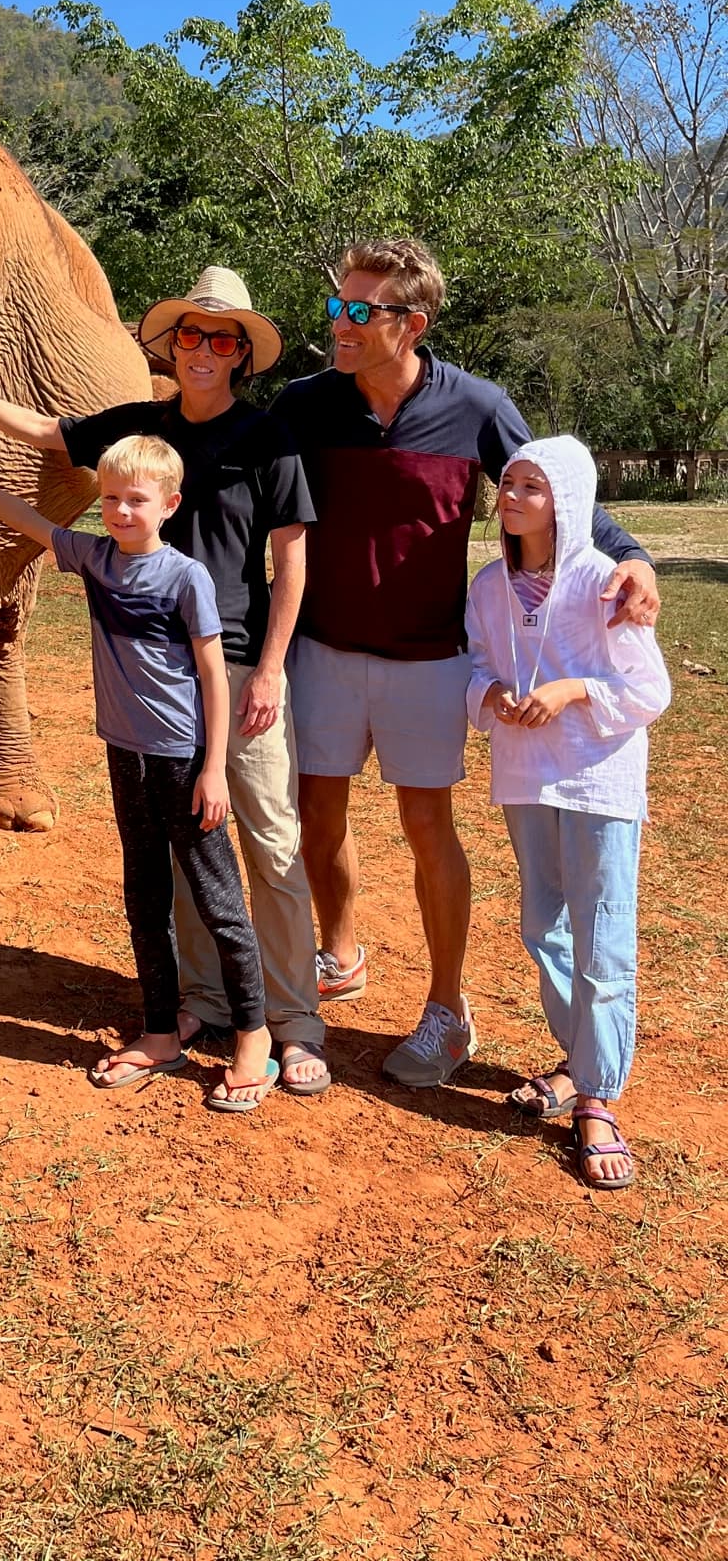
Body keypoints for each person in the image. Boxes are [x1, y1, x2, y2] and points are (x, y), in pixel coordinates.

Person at [0, 268, 328, 1095]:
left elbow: (291, 562)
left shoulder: (269, 439)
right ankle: (202, 1001)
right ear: (173, 345)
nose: (205, 351)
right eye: (191, 335)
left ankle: (291, 1022)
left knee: (267, 843)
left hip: (237, 664)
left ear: (242, 354)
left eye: (223, 340)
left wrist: (274, 671)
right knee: (182, 859)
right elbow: (47, 437)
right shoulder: (140, 434)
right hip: (151, 691)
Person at [272, 238, 661, 1086]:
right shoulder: (306, 404)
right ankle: (339, 954)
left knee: (425, 827)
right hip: (322, 651)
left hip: (428, 659)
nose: (337, 322)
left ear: (410, 324)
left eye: (357, 310)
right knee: (317, 815)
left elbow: (551, 486)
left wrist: (632, 555)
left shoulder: (476, 406)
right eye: (338, 305)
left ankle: (448, 1010)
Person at [0, 424, 277, 1111]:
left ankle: (254, 1036)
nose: (120, 512)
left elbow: (213, 674)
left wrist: (212, 769)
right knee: (144, 893)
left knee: (217, 900)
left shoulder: (185, 577)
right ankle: (158, 1032)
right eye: (110, 499)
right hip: (125, 754)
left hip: (182, 760)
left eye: (136, 500)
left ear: (170, 504)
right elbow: (27, 517)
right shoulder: (95, 558)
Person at [466, 437, 669, 1188]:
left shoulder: (601, 584)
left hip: (598, 781)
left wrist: (572, 692)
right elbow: (478, 667)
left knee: (602, 935)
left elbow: (650, 693)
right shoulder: (489, 586)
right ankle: (582, 1059)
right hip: (525, 777)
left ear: (568, 502)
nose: (512, 497)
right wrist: (489, 698)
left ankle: (596, 1097)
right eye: (509, 483)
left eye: (532, 487)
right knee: (541, 925)